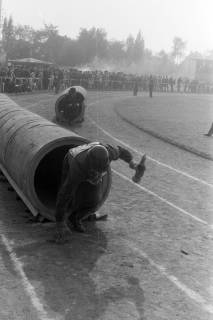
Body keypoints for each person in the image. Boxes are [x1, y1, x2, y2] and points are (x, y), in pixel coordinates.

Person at [54, 142, 146, 243]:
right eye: (95, 171)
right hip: (71, 159)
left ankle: (75, 218)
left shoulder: (110, 151)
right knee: (68, 192)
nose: (98, 173)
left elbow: (122, 152)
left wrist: (133, 164)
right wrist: (60, 223)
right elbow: (64, 194)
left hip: (88, 163)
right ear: (90, 167)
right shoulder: (77, 168)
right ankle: (64, 215)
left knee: (95, 200)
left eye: (101, 170)